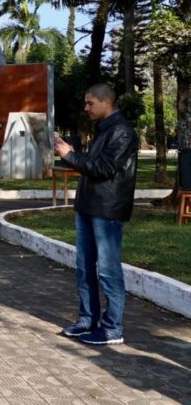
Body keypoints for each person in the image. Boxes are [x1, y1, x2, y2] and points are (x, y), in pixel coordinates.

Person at [54, 83, 138, 346]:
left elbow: (103, 168)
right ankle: (87, 319)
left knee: (108, 270)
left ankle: (112, 328)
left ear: (106, 102)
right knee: (84, 268)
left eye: (90, 103)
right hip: (88, 206)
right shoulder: (104, 130)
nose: (86, 108)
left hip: (107, 209)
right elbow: (93, 165)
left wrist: (70, 155)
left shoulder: (122, 132)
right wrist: (71, 154)